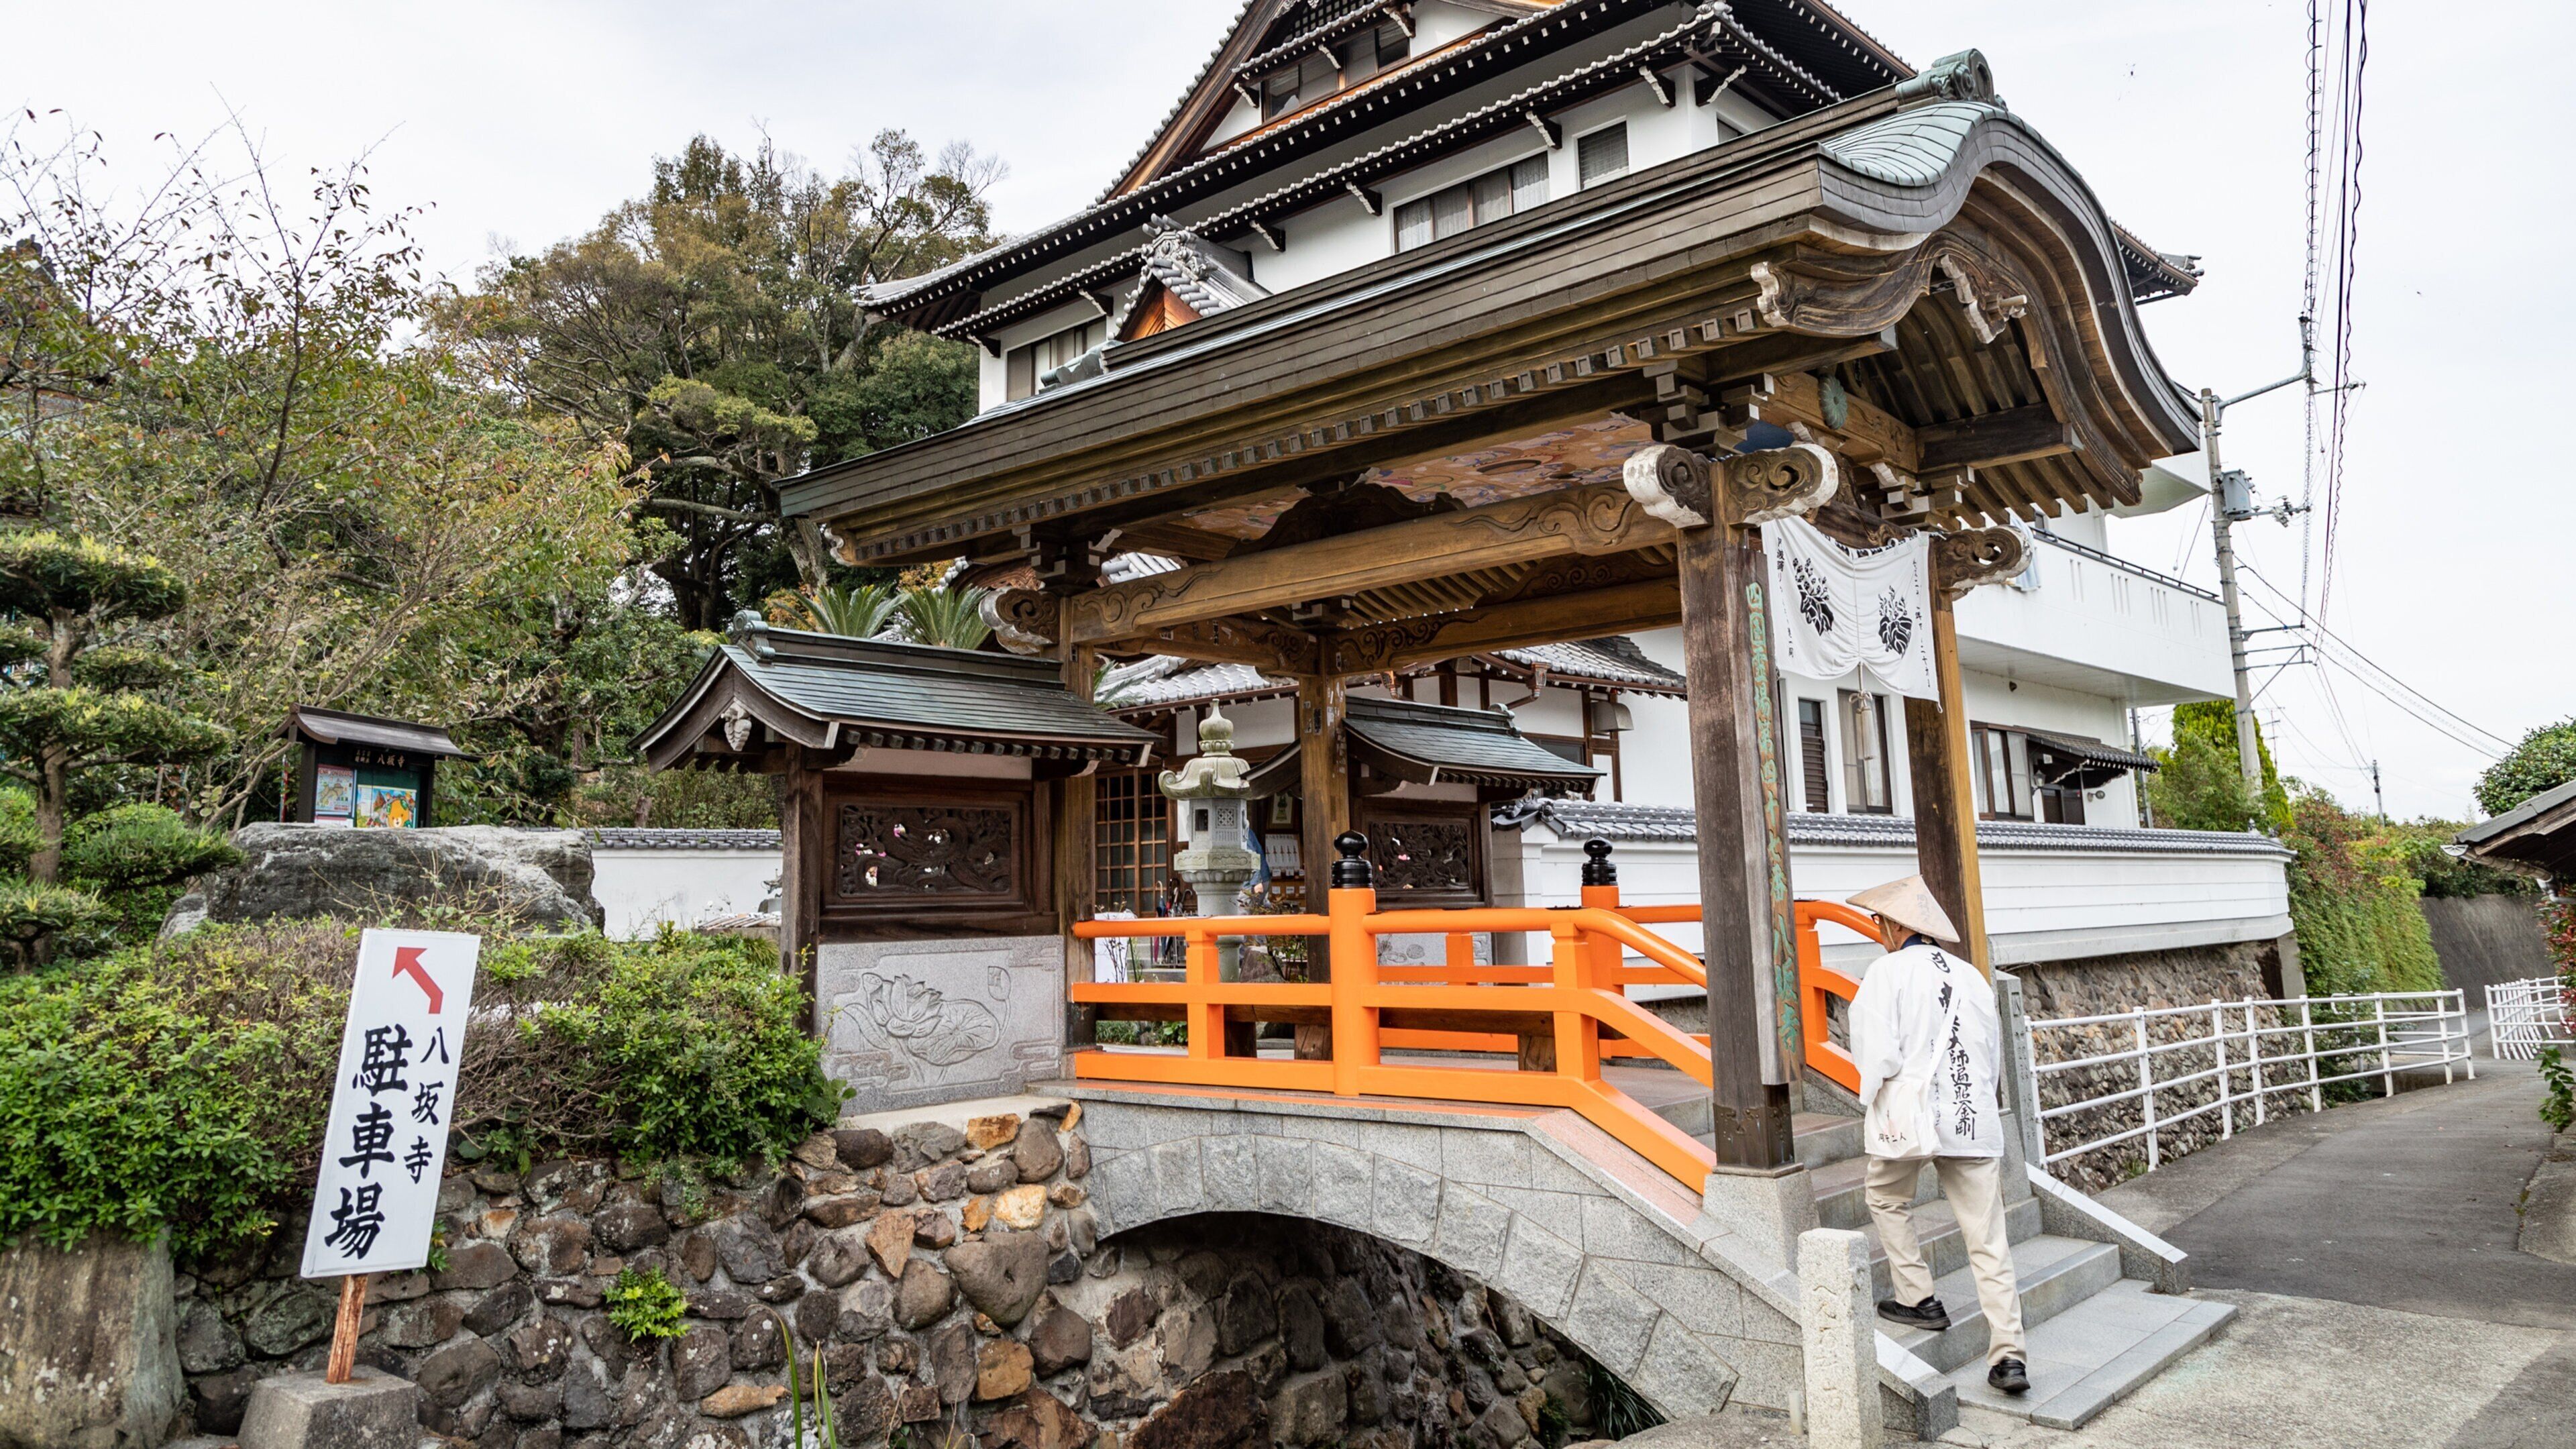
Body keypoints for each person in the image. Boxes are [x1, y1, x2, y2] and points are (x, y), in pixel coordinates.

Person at [1845, 874, 2030, 1397]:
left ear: (1898, 924)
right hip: (1972, 1116)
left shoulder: (1887, 972)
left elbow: (1877, 1055)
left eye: (1880, 921)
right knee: (1987, 1238)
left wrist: (1872, 1103)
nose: (1878, 930)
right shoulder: (1972, 976)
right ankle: (2009, 1356)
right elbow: (1990, 1054)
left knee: (1885, 1196)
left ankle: (1919, 1297)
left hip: (1912, 1116)